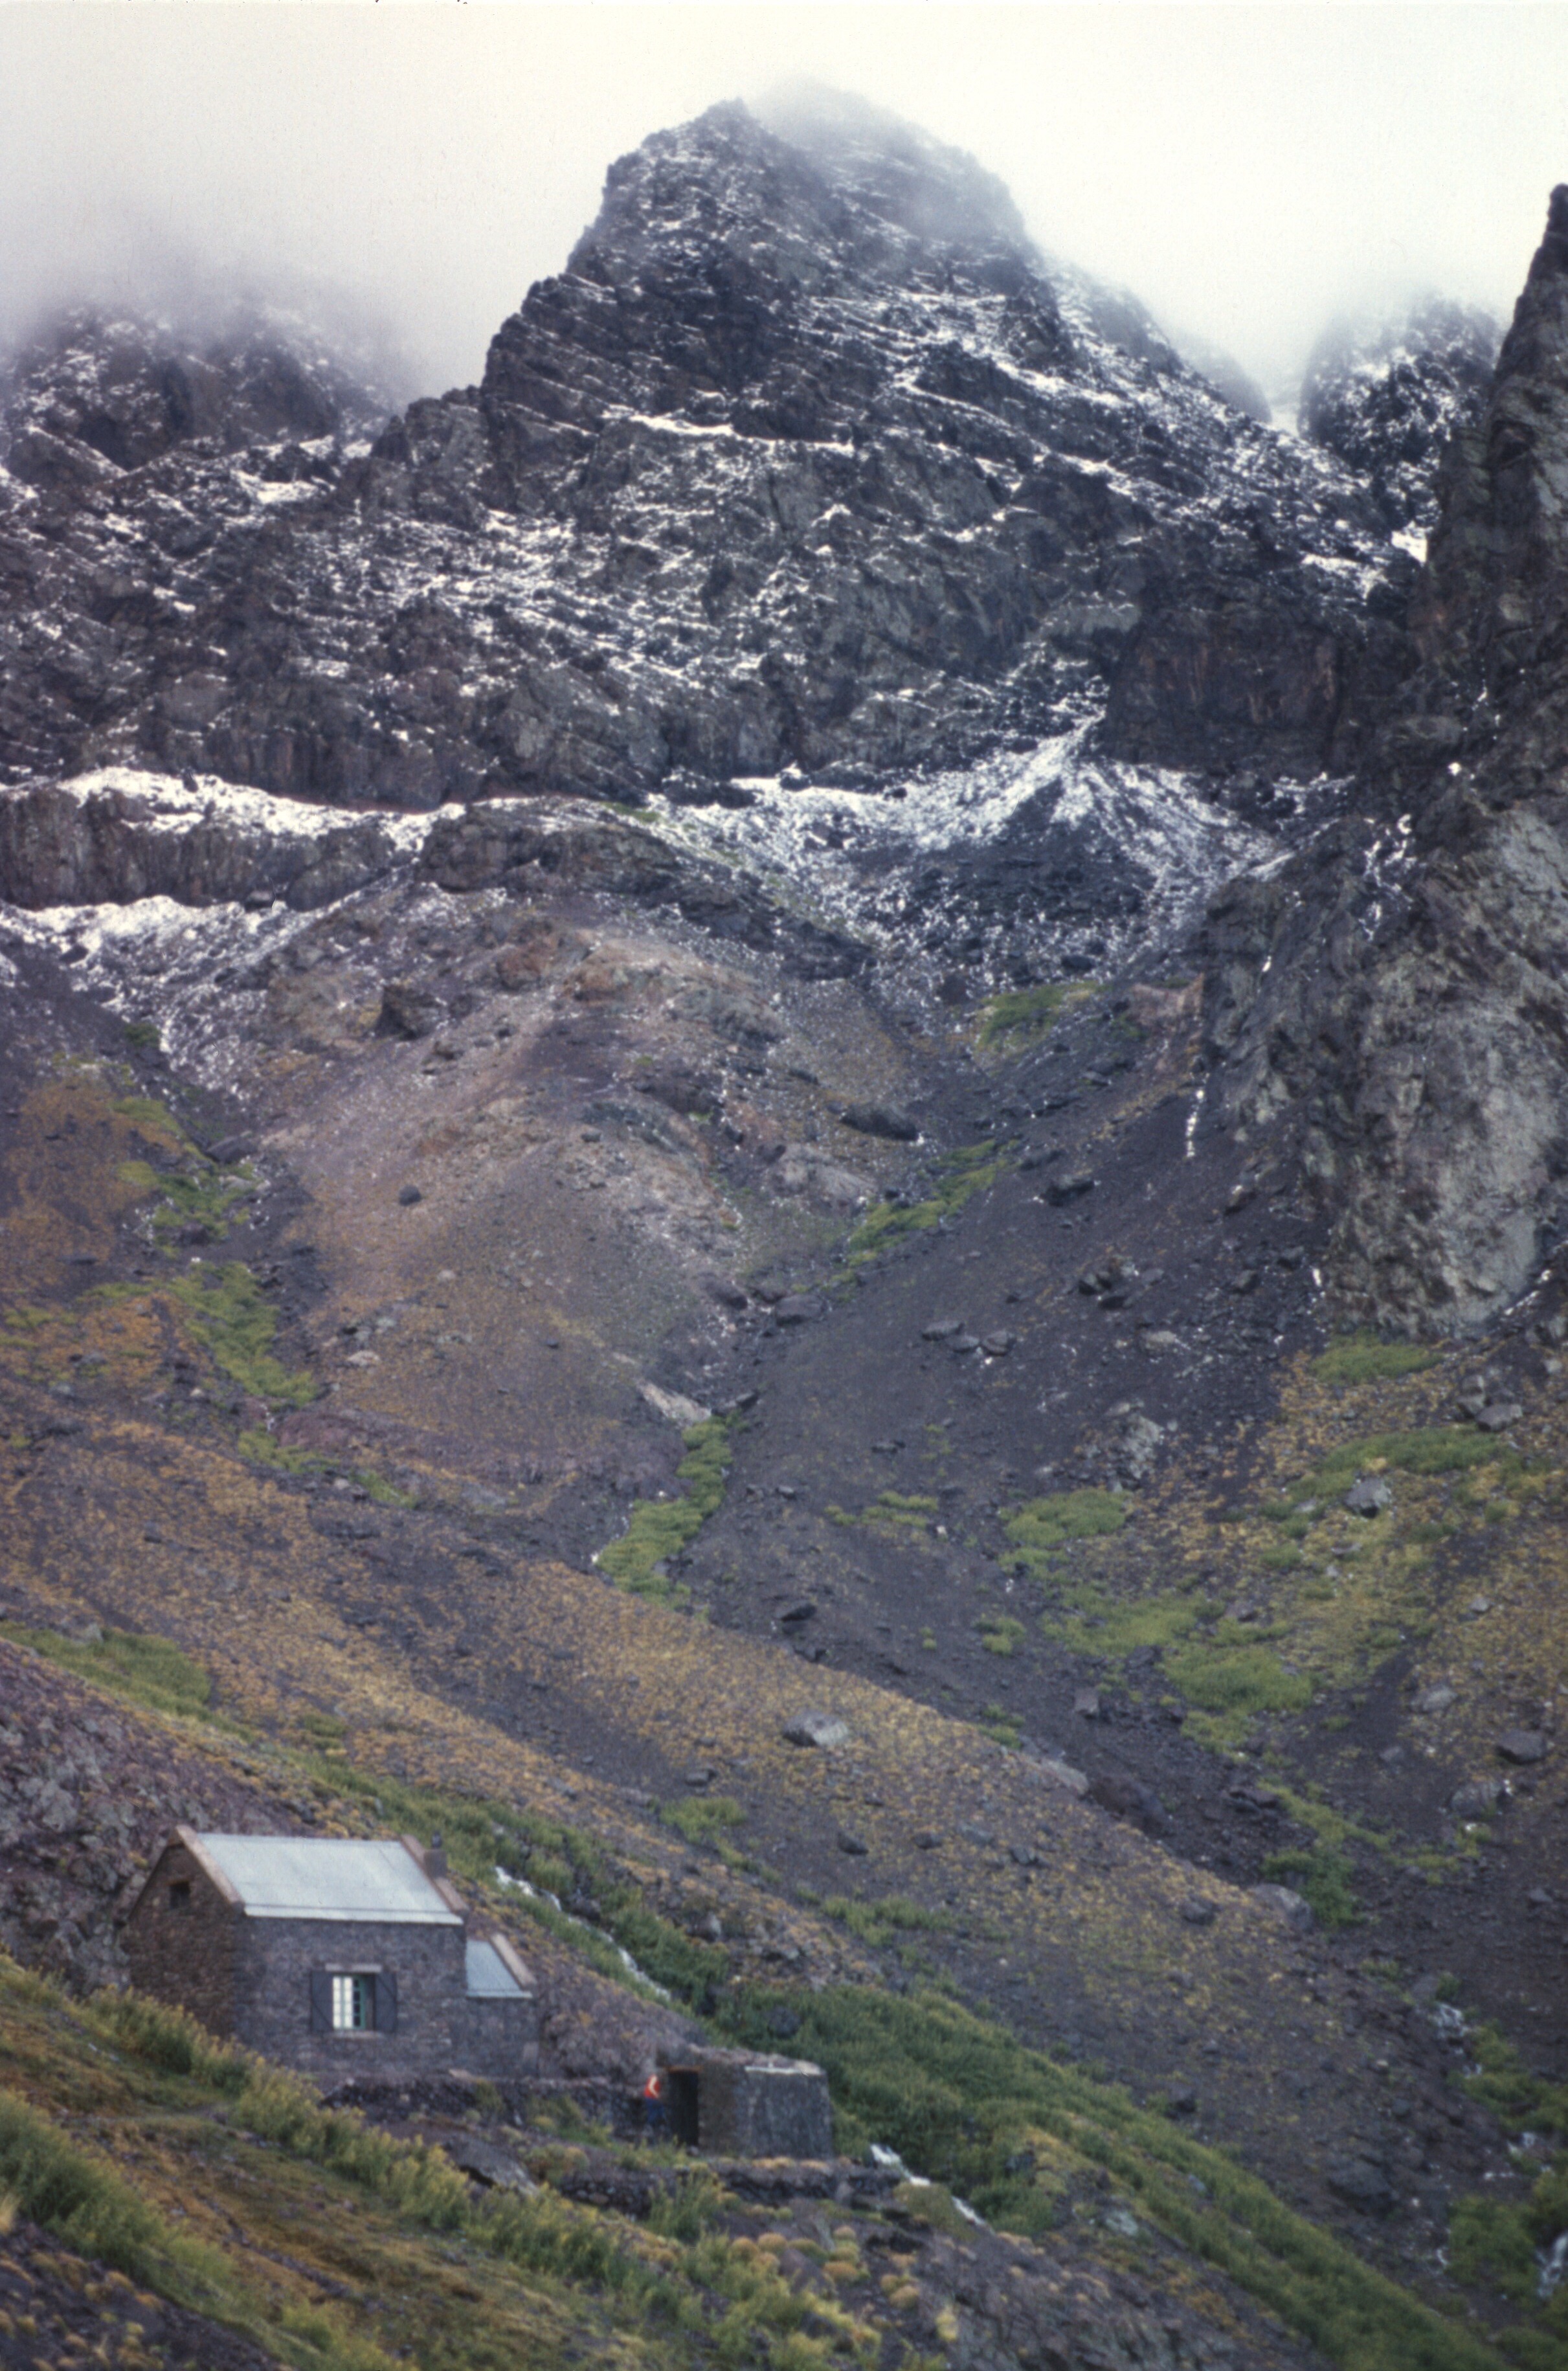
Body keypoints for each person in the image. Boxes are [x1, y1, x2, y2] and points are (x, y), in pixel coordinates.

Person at [642, 2069, 668, 2138]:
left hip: (651, 2098)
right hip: (650, 2098)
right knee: (655, 2111)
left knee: (656, 2110)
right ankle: (651, 2126)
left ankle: (654, 2126)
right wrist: (656, 2095)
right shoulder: (654, 2078)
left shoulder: (656, 2079)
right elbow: (651, 2087)